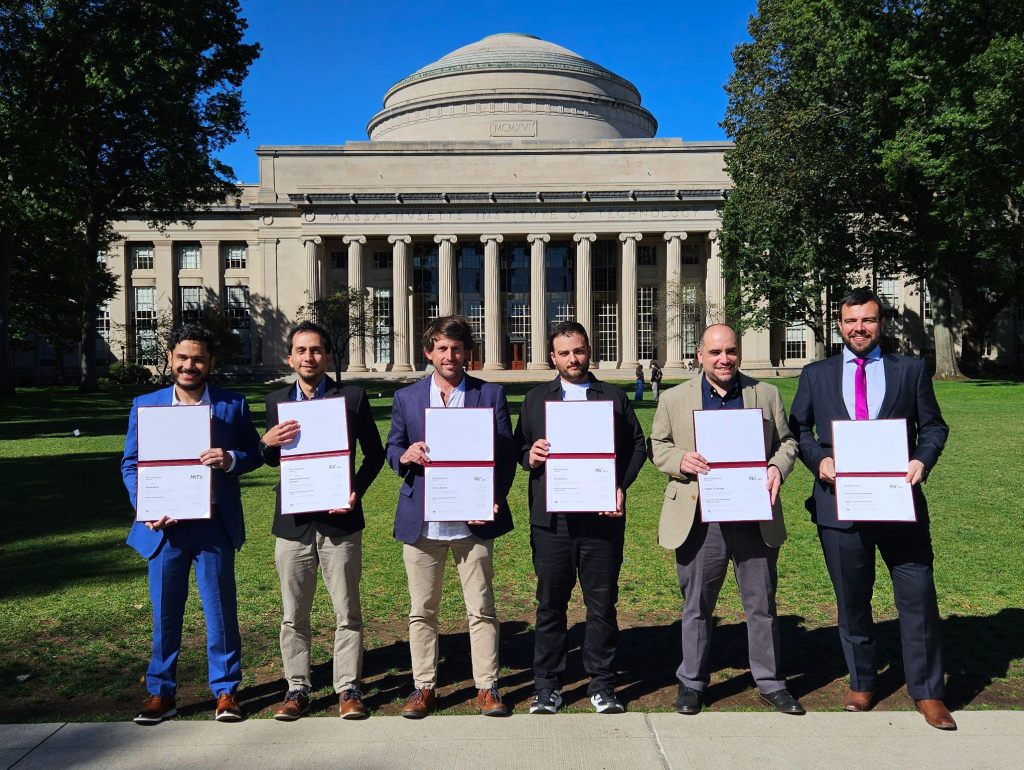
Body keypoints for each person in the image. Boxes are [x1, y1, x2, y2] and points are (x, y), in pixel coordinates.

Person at [789, 288, 954, 729]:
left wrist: (922, 459)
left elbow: (934, 426)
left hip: (899, 503)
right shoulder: (816, 374)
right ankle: (862, 681)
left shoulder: (911, 370)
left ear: (881, 323)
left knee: (917, 597)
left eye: (867, 320)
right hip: (839, 506)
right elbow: (798, 428)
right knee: (853, 601)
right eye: (850, 321)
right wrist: (816, 458)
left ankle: (928, 691)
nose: (858, 328)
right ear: (839, 325)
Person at [648, 324, 804, 716]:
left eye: (730, 351)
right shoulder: (673, 399)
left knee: (761, 604)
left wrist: (776, 467)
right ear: (700, 355)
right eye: (715, 352)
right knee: (697, 604)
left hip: (754, 515)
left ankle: (770, 682)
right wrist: (680, 460)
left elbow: (788, 441)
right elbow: (657, 446)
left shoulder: (764, 394)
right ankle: (692, 683)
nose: (724, 359)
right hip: (700, 518)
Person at [121, 324, 262, 724]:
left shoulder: (231, 405)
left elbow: (255, 451)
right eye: (182, 357)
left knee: (220, 611)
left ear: (210, 362)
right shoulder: (145, 404)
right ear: (169, 359)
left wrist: (231, 458)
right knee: (165, 613)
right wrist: (144, 504)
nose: (189, 365)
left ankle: (226, 692)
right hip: (164, 529)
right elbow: (130, 464)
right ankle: (160, 694)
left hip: (213, 524)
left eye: (198, 358)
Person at [385, 315, 516, 718]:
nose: (449, 355)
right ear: (429, 352)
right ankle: (424, 687)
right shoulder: (407, 398)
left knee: (482, 608)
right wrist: (404, 457)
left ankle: (487, 687)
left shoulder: (489, 394)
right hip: (423, 521)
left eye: (456, 348)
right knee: (422, 609)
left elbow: (506, 455)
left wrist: (494, 495)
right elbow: (393, 448)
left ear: (467, 352)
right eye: (441, 348)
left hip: (472, 522)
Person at [513, 321, 647, 714]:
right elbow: (519, 448)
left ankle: (602, 683)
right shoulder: (536, 399)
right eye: (565, 353)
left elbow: (638, 446)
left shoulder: (613, 396)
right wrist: (530, 456)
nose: (574, 359)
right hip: (552, 522)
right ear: (553, 357)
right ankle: (547, 686)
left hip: (602, 518)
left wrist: (620, 485)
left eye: (580, 351)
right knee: (550, 604)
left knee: (601, 604)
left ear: (589, 351)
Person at [259, 321, 385, 720]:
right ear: (290, 357)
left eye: (316, 350)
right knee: (293, 613)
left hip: (339, 520)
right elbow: (272, 459)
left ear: (328, 356)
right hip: (293, 522)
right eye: (301, 350)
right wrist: (267, 443)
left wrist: (355, 491)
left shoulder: (353, 397)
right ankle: (297, 687)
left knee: (347, 611)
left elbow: (375, 454)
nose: (308, 357)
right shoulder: (275, 401)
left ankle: (348, 687)